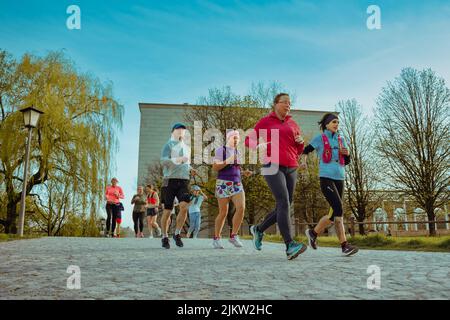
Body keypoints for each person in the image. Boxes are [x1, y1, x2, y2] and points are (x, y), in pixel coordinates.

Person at [245, 93, 307, 260]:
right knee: (283, 201)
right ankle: (289, 245)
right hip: (271, 165)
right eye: (285, 102)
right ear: (275, 104)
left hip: (291, 166)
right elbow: (248, 141)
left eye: (290, 103)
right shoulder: (265, 122)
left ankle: (258, 229)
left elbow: (298, 150)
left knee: (286, 203)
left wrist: (300, 144)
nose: (288, 105)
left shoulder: (293, 124)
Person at [302, 113, 359, 256]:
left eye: (338, 122)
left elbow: (346, 162)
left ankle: (313, 233)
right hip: (326, 178)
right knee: (338, 209)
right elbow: (305, 151)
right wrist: (303, 162)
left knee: (333, 215)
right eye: (334, 122)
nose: (336, 124)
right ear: (326, 124)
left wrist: (347, 155)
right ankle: (344, 245)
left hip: (340, 177)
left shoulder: (341, 139)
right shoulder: (320, 138)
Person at [212, 130, 252, 249]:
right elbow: (215, 167)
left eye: (237, 138)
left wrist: (244, 172)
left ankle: (233, 235)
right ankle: (216, 238)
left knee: (241, 208)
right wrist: (229, 159)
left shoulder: (237, 152)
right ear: (228, 138)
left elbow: (235, 168)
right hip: (223, 183)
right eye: (233, 137)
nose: (236, 140)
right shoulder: (221, 150)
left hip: (237, 183)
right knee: (223, 213)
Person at [160, 122, 197, 249]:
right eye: (179, 130)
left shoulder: (187, 147)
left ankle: (177, 233)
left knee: (184, 206)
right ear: (173, 132)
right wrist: (178, 160)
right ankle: (164, 236)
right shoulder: (168, 145)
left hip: (184, 180)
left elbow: (186, 163)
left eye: (183, 130)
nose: (181, 132)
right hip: (169, 180)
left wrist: (191, 168)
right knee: (168, 210)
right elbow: (163, 161)